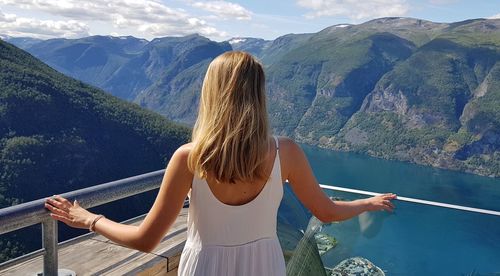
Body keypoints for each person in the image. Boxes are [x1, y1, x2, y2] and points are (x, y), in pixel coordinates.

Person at [45, 51, 396, 276]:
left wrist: (90, 219)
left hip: (205, 267)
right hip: (265, 267)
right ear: (259, 96)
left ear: (212, 94)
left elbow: (146, 239)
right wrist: (369, 203)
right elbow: (326, 212)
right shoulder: (285, 152)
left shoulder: (191, 157)